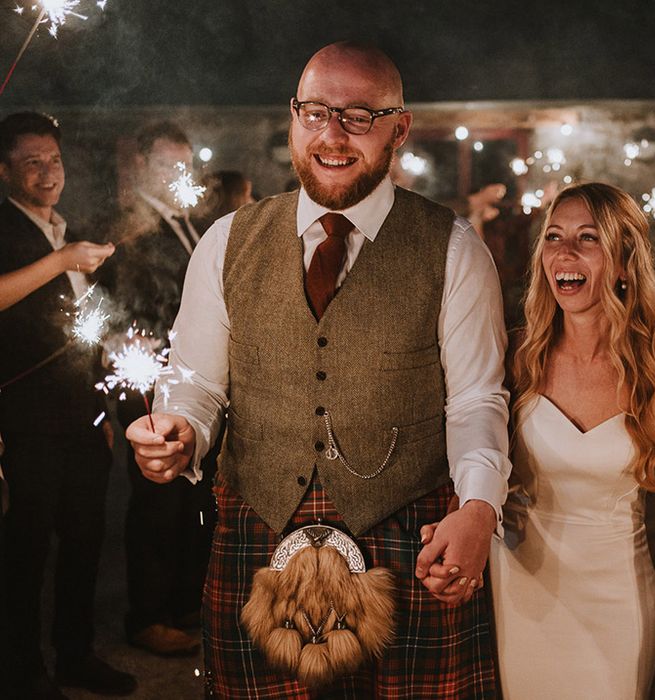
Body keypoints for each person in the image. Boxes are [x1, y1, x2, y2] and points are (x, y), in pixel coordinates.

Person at [125, 41, 510, 697]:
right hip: (258, 533)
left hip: (408, 542)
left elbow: (476, 401)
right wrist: (181, 431)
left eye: (359, 116)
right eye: (315, 112)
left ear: (399, 127)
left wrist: (479, 507)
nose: (332, 134)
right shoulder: (226, 241)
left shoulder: (454, 248)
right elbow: (196, 383)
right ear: (292, 116)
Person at [480, 182, 655, 697]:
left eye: (587, 238)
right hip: (516, 597)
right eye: (553, 236)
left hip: (615, 603)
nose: (563, 253)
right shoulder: (514, 357)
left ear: (624, 260)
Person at [0, 112, 134, 699]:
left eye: (53, 159)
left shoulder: (68, 229)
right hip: (23, 421)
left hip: (83, 418)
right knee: (24, 552)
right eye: (32, 162)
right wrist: (61, 260)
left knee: (85, 541)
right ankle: (22, 671)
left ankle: (77, 654)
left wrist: (112, 375)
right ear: (3, 170)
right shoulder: (7, 228)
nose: (47, 171)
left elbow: (87, 325)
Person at [102, 120, 216, 657]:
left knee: (190, 499)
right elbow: (117, 307)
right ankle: (146, 616)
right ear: (143, 165)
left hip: (194, 380)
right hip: (151, 380)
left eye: (185, 165)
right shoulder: (130, 228)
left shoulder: (189, 222)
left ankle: (182, 602)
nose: (179, 174)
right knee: (155, 501)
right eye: (169, 165)